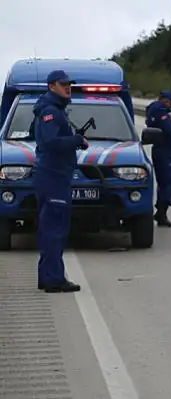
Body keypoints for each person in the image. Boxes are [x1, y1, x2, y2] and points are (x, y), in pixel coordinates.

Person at [33, 70, 89, 293]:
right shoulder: (50, 112)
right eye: (63, 84)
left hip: (53, 174)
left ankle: (47, 276)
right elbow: (51, 141)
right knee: (55, 229)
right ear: (51, 86)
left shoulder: (53, 110)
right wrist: (76, 140)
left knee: (50, 227)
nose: (68, 88)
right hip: (53, 175)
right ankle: (54, 279)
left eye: (69, 84)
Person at [145, 91, 171, 227]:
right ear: (164, 100)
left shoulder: (152, 111)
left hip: (159, 151)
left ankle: (161, 212)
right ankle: (161, 211)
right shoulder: (160, 113)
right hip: (166, 152)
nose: (170, 107)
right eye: (170, 103)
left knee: (163, 183)